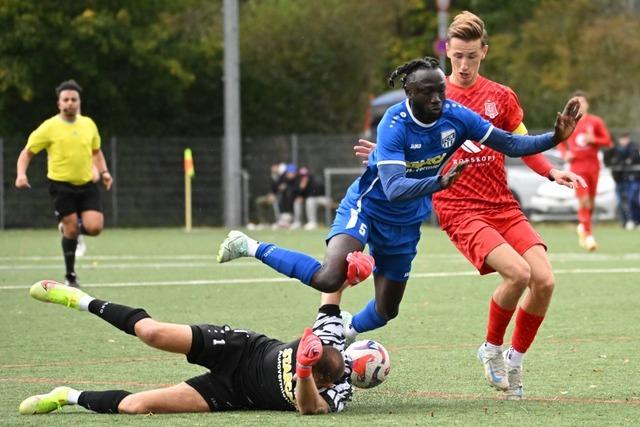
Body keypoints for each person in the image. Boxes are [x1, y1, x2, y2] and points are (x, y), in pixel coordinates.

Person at [217, 56, 581, 394]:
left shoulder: (456, 116)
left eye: (440, 90)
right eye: (427, 92)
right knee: (330, 277)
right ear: (410, 93)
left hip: (405, 226)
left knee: (386, 310)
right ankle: (249, 245)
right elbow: (393, 188)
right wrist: (439, 183)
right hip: (368, 208)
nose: (437, 98)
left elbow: (509, 142)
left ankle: (346, 329)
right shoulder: (393, 122)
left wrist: (554, 137)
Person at [350, 11, 587, 399]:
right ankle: (491, 349)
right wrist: (388, 155)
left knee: (544, 280)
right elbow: (406, 142)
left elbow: (517, 143)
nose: (462, 65)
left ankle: (515, 357)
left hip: (502, 204)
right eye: (456, 56)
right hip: (459, 207)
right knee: (518, 274)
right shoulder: (431, 96)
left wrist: (550, 170)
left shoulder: (501, 97)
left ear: (484, 53)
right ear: (446, 52)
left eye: (471, 57)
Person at [19, 280, 354, 416]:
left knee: (136, 407)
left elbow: (309, 410)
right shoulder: (329, 337)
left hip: (233, 394)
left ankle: (67, 396)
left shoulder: (334, 394)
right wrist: (349, 272)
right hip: (240, 348)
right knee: (152, 333)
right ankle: (80, 299)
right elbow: (329, 289)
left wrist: (305, 370)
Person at [15, 79, 113, 287]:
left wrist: (104, 172)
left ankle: (70, 228)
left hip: (87, 184)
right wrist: (21, 175)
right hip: (61, 186)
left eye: (73, 99)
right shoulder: (49, 127)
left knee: (95, 227)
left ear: (79, 102)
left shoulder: (88, 124)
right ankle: (70, 275)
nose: (70, 103)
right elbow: (27, 152)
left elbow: (96, 151)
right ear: (59, 103)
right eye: (65, 99)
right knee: (71, 231)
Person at [557, 91, 612, 251]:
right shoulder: (569, 122)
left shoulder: (595, 121)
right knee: (584, 201)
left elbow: (608, 141)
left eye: (582, 102)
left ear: (587, 104)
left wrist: (594, 140)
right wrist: (565, 153)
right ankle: (588, 236)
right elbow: (559, 141)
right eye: (576, 102)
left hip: (593, 165)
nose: (580, 105)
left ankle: (582, 226)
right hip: (577, 166)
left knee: (592, 202)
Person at [604, 133, 640, 229]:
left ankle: (635, 220)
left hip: (633, 179)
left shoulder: (632, 148)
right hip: (621, 180)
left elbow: (632, 159)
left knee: (632, 200)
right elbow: (609, 162)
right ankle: (627, 221)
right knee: (622, 202)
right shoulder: (615, 150)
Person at [251, 162, 285, 229]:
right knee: (259, 201)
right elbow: (267, 188)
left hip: (278, 197)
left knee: (272, 202)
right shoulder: (269, 176)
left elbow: (280, 189)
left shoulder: (282, 177)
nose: (274, 169)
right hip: (269, 196)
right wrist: (269, 195)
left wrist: (274, 196)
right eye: (273, 167)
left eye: (275, 167)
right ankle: (263, 222)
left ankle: (275, 222)